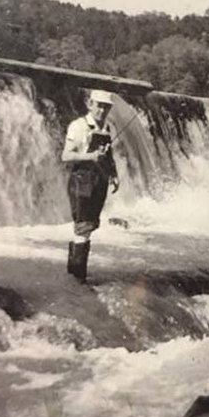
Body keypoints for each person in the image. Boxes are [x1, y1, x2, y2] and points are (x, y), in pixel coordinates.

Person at [61, 89, 120, 282]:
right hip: (81, 180)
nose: (102, 110)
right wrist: (91, 157)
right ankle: (79, 277)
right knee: (83, 226)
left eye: (106, 107)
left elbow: (108, 155)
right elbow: (66, 156)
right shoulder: (78, 126)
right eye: (99, 106)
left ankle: (73, 275)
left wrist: (113, 174)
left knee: (89, 226)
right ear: (90, 105)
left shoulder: (106, 128)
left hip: (99, 181)